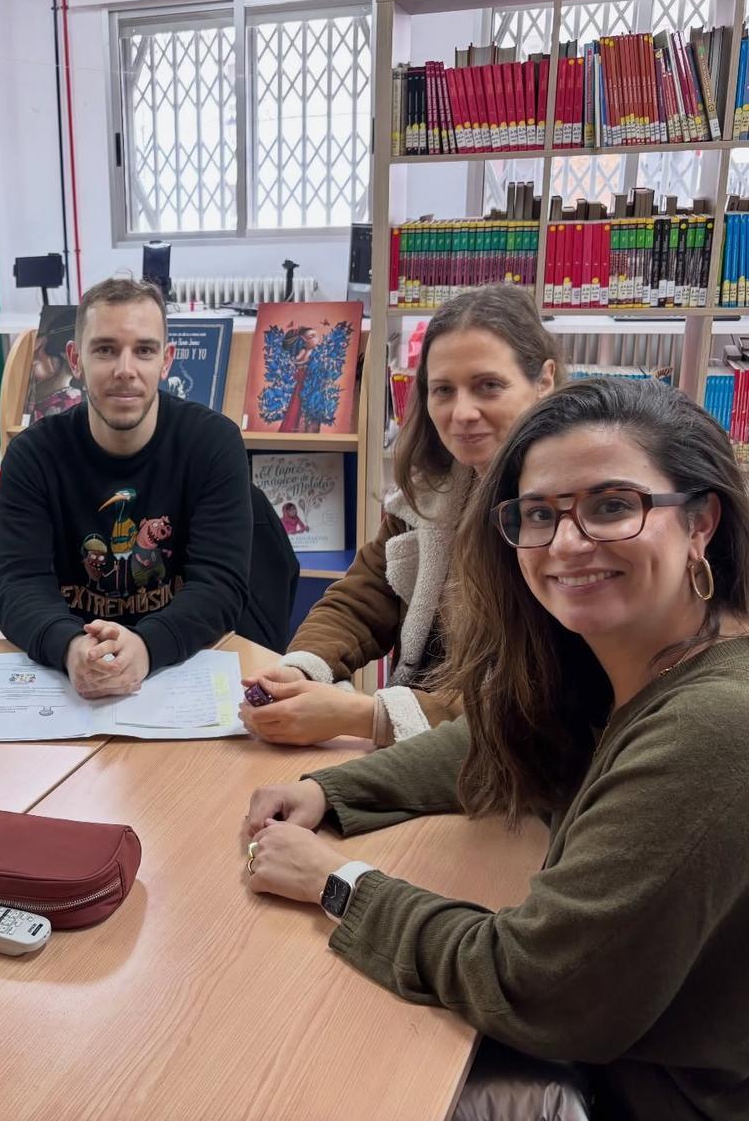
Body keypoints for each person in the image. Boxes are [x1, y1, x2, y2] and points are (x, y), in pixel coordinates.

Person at [244, 376, 749, 1120]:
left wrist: (338, 882)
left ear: (700, 521)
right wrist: (335, 791)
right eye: (539, 514)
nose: (568, 543)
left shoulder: (715, 726)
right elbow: (507, 739)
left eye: (613, 506)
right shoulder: (629, 658)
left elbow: (540, 988)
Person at [241, 284, 561, 748]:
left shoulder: (569, 518)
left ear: (544, 381)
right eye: (443, 390)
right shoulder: (432, 490)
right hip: (415, 749)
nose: (462, 412)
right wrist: (297, 672)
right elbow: (361, 598)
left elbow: (531, 710)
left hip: (498, 766)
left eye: (489, 385)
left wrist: (363, 715)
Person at [0, 275, 251, 700]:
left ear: (166, 361)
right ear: (75, 359)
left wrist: (147, 646)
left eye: (144, 351)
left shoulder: (213, 444)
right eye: (106, 349)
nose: (125, 370)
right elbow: (16, 584)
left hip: (177, 666)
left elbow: (221, 585)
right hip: (71, 674)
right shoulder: (31, 456)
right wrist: (71, 648)